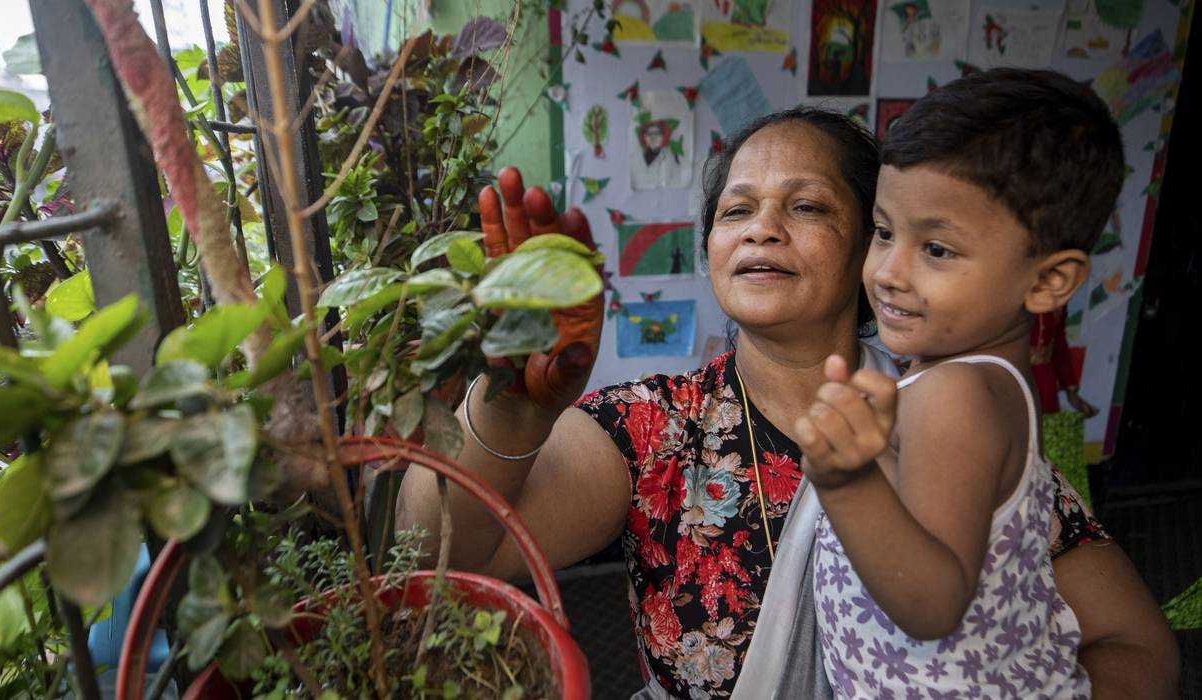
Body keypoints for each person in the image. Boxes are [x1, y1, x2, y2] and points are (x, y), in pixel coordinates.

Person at [398, 108, 1180, 698]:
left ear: (874, 242)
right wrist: (512, 404)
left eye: (805, 207)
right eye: (735, 211)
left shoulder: (950, 416)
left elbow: (1134, 646)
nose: (761, 229)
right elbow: (436, 558)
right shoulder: (655, 428)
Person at [794, 68, 1115, 698]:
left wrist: (847, 479)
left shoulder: (955, 395)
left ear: (1048, 282)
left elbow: (933, 603)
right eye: (884, 232)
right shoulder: (986, 383)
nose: (887, 271)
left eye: (937, 249)